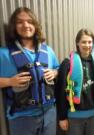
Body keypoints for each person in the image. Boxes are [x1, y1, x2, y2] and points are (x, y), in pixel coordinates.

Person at [0, 7, 59, 135]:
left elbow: (58, 68)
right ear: (13, 26)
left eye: (29, 21)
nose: (26, 25)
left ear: (35, 25)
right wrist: (10, 81)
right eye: (20, 22)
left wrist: (54, 73)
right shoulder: (3, 54)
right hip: (21, 118)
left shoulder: (48, 51)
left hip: (49, 113)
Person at [55, 28, 94, 135]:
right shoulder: (67, 64)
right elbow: (60, 92)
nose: (87, 45)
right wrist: (62, 117)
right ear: (77, 43)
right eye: (83, 42)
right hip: (74, 116)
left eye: (90, 42)